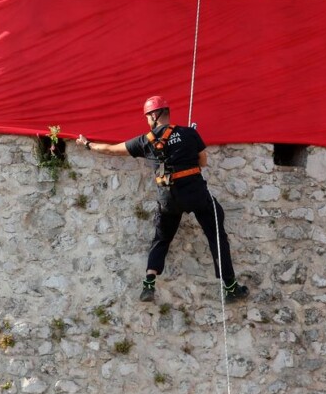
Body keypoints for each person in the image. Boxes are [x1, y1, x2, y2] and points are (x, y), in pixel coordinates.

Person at [76, 96, 248, 304]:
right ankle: (230, 287)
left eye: (147, 116)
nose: (147, 121)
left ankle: (149, 283)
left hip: (168, 197)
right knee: (216, 235)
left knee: (162, 238)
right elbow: (203, 161)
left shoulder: (144, 141)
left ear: (153, 115)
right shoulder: (189, 133)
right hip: (195, 193)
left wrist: (87, 144)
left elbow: (111, 150)